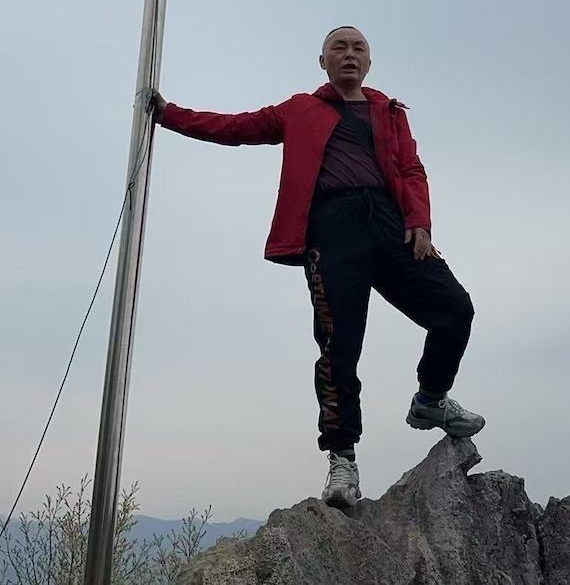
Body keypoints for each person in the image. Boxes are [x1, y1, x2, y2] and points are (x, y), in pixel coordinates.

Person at [151, 25, 485, 508]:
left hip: (390, 225)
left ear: (369, 61)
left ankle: (430, 399)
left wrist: (420, 224)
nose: (349, 54)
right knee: (338, 345)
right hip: (332, 231)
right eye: (338, 48)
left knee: (455, 309)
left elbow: (411, 168)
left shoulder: (388, 112)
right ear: (322, 61)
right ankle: (342, 459)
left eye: (358, 48)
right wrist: (168, 115)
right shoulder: (298, 110)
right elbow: (235, 127)